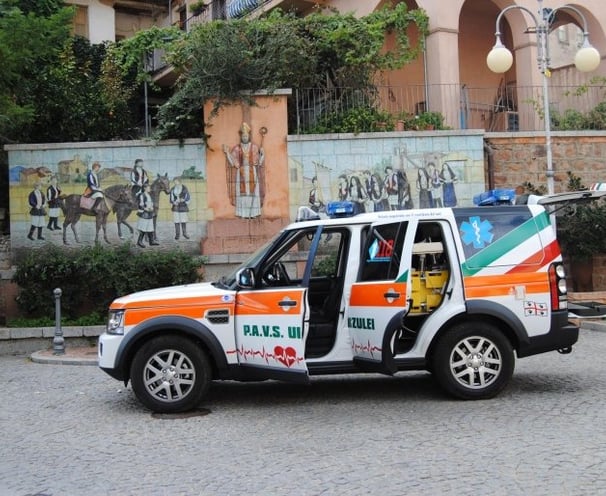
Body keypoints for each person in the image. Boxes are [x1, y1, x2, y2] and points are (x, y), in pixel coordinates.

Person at [222, 122, 265, 218]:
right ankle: (243, 214)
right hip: (241, 173)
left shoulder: (254, 147)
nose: (245, 137)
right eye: (243, 136)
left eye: (246, 136)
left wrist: (262, 154)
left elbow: (258, 162)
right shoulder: (237, 148)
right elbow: (233, 162)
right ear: (241, 136)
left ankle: (254, 213)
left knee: (253, 193)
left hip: (251, 172)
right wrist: (227, 153)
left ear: (248, 136)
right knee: (242, 194)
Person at [136, 183, 159, 248]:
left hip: (149, 213)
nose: (150, 189)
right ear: (144, 188)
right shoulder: (142, 195)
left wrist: (151, 207)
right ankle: (139, 241)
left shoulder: (148, 195)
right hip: (144, 214)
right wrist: (145, 209)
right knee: (143, 228)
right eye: (148, 187)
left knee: (150, 227)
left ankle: (151, 241)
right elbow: (141, 204)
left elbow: (150, 203)